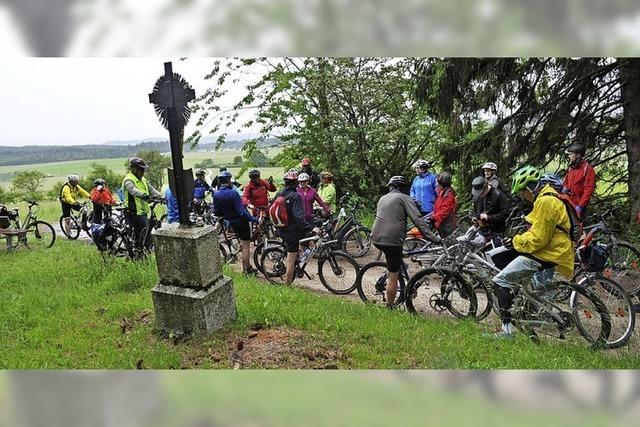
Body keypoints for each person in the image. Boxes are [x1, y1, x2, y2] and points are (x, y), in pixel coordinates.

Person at [489, 166, 574, 339]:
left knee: (500, 281)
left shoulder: (545, 202)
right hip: (553, 250)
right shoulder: (548, 196)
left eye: (522, 191)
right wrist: (518, 239)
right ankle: (522, 314)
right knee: (515, 274)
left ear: (529, 188)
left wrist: (516, 241)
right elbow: (539, 230)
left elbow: (538, 239)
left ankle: (507, 333)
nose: (522, 195)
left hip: (549, 252)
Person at [370, 175, 435, 307]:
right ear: (403, 188)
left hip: (376, 237)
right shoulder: (405, 198)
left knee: (393, 262)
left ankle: (392, 272)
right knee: (393, 276)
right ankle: (389, 307)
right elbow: (417, 219)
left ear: (391, 187)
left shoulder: (382, 198)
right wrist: (432, 237)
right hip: (392, 240)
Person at [213, 171, 259, 275]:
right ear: (228, 181)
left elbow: (216, 211)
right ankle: (246, 270)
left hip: (231, 222)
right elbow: (241, 212)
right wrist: (253, 219)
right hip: (241, 222)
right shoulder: (233, 193)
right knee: (246, 246)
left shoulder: (216, 194)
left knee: (242, 244)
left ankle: (248, 267)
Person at [274, 170, 315, 285]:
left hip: (281, 228)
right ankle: (287, 285)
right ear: (295, 182)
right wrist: (310, 228)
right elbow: (299, 218)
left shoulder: (280, 193)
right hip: (291, 231)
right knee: (291, 259)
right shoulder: (295, 196)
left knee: (297, 251)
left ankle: (296, 264)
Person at [122, 158, 163, 247]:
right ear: (134, 169)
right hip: (133, 212)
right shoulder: (128, 180)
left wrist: (161, 196)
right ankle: (141, 253)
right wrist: (144, 195)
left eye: (144, 169)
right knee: (145, 233)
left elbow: (150, 188)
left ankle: (138, 252)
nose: (143, 172)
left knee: (141, 234)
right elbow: (133, 190)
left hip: (142, 211)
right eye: (141, 169)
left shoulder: (142, 179)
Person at [470, 175, 511, 244]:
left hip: (497, 231)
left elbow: (505, 213)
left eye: (481, 192)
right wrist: (474, 217)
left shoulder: (498, 194)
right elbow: (474, 211)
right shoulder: (477, 197)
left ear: (486, 187)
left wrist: (488, 217)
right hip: (482, 231)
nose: (480, 194)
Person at [562, 143, 596, 220]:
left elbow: (588, 190)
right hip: (569, 202)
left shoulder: (587, 169)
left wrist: (581, 206)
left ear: (578, 155)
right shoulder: (572, 168)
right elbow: (566, 181)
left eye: (571, 154)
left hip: (579, 205)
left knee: (578, 228)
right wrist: (565, 187)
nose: (569, 156)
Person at [428, 172, 457, 238]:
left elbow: (445, 211)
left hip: (447, 225)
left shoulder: (448, 195)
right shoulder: (442, 192)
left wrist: (434, 217)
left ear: (443, 183)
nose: (436, 184)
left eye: (438, 182)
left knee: (448, 245)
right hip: (441, 222)